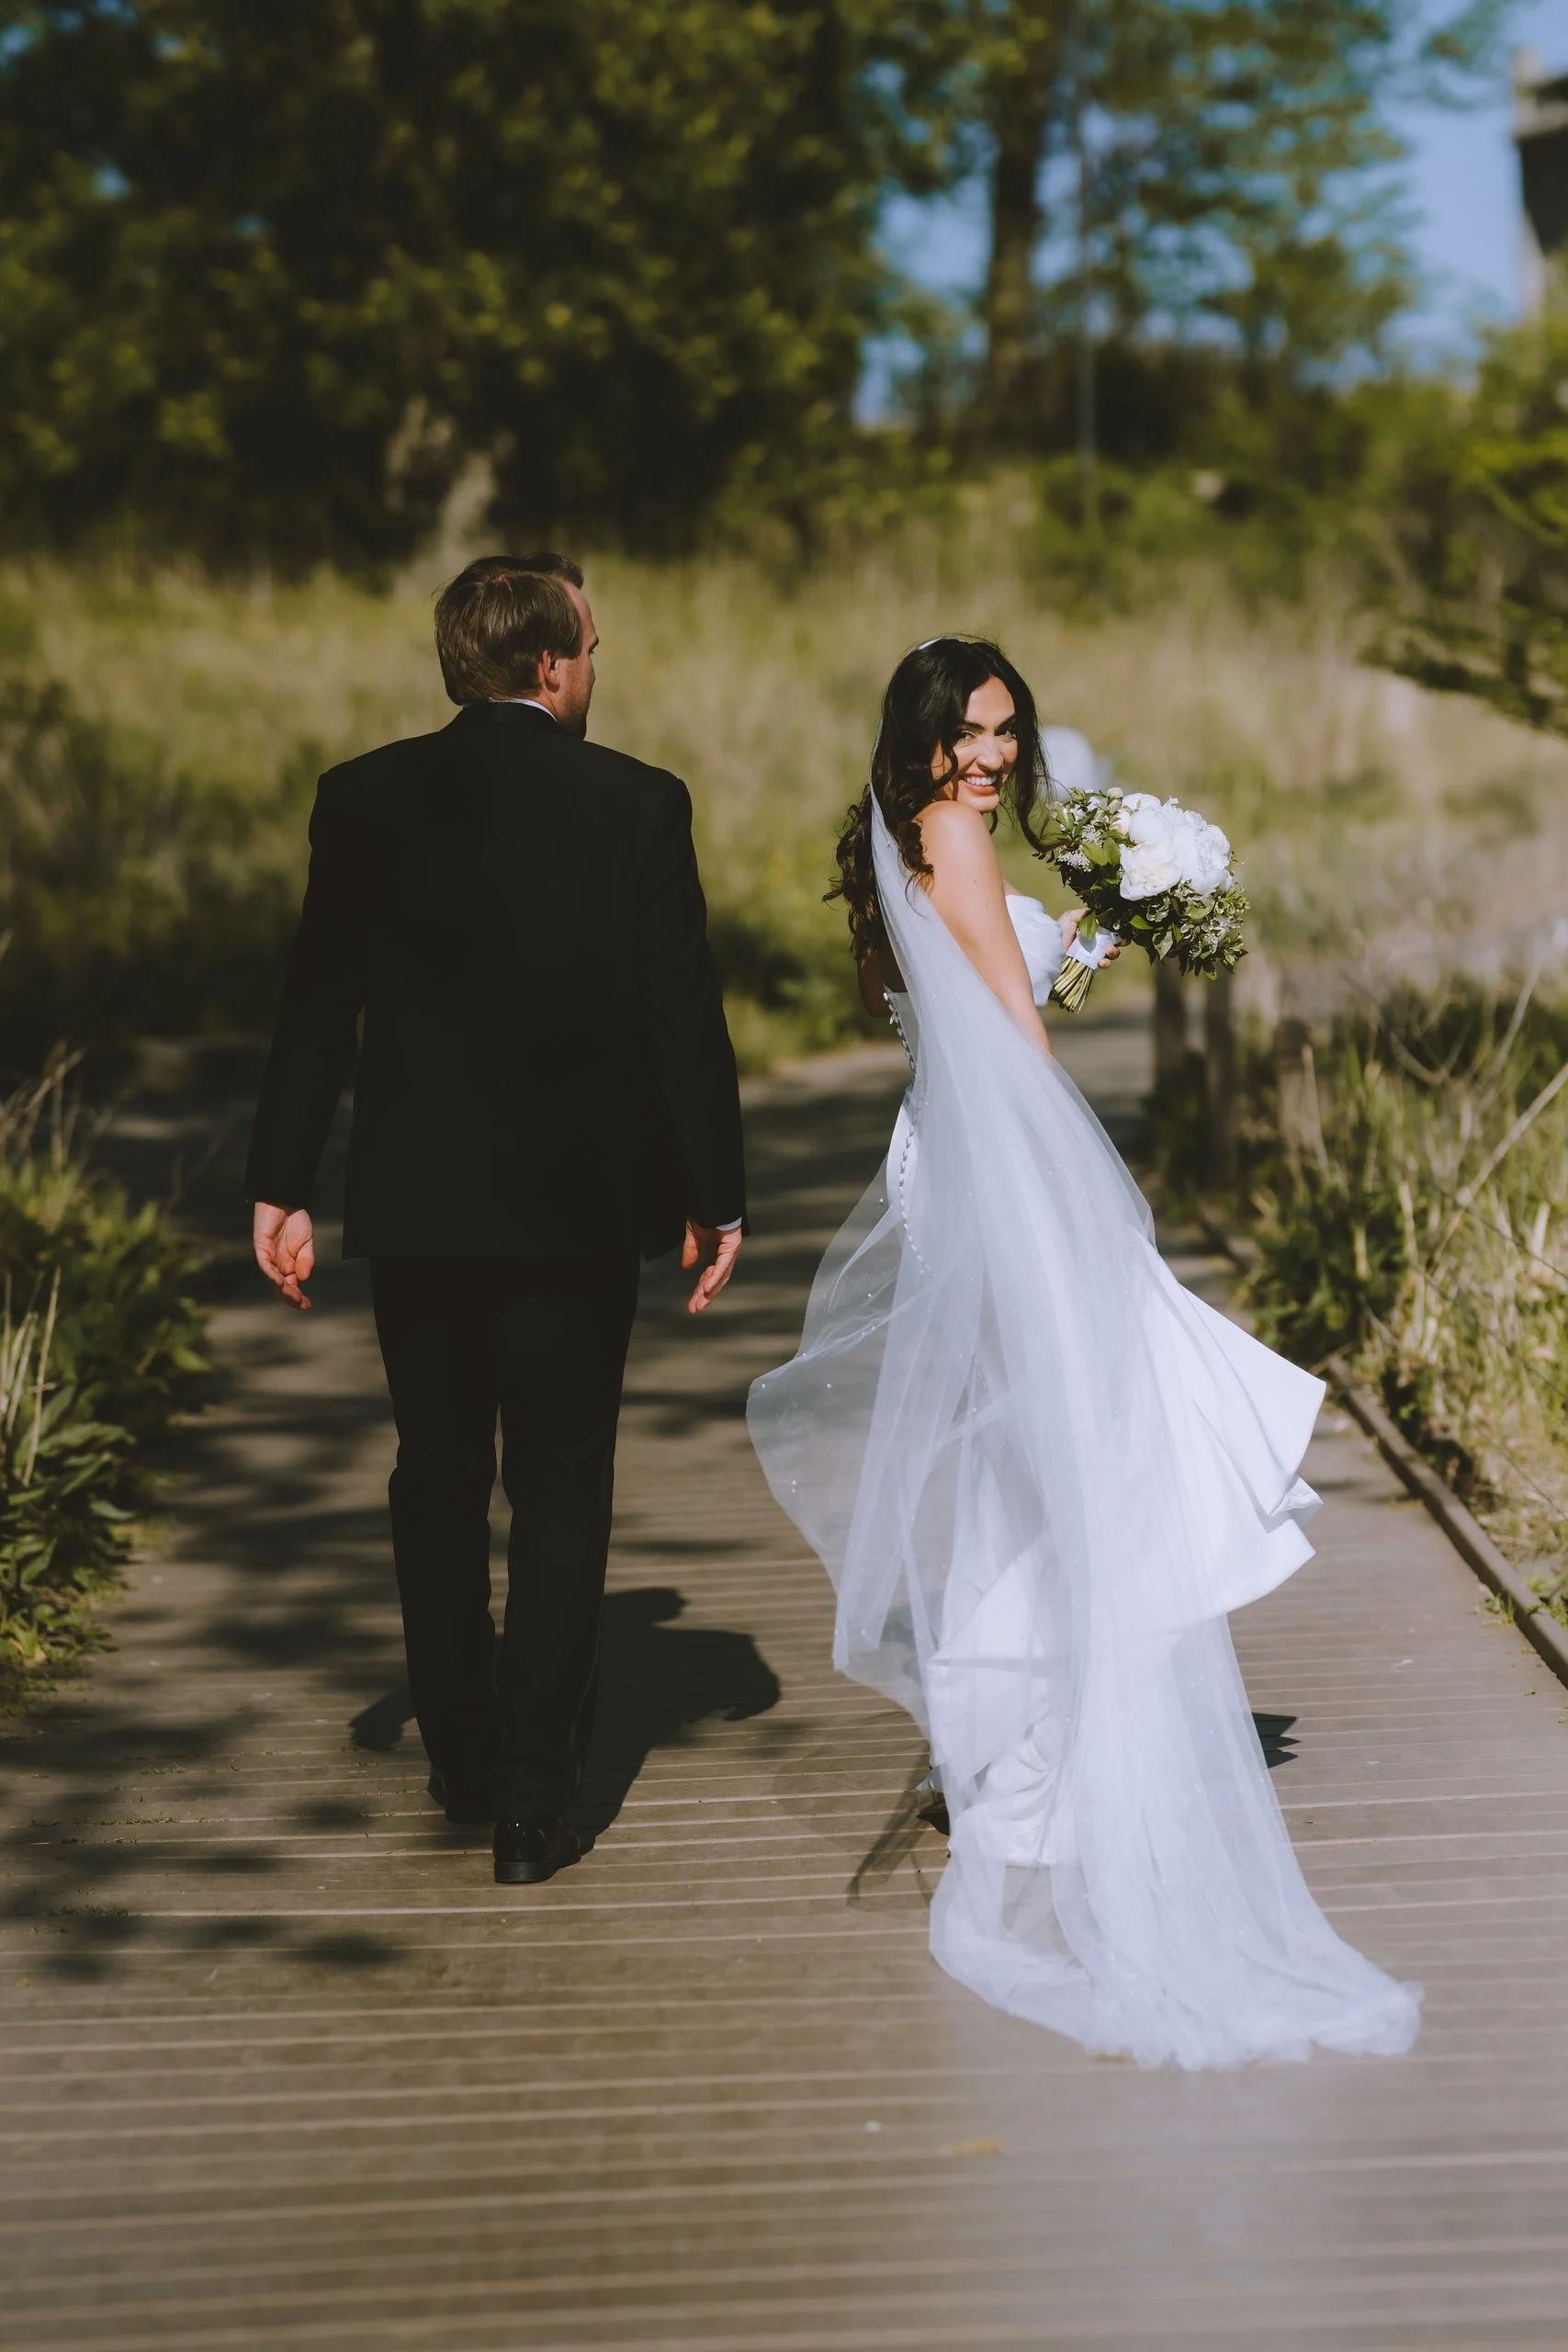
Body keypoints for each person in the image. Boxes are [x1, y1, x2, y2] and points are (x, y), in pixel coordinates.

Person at [747, 637, 1420, 2069]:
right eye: (964, 732)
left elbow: (962, 1000)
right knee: (1094, 1443)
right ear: (921, 739)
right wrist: (1080, 1186)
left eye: (1003, 731)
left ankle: (1020, 1740)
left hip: (947, 1160)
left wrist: (1094, 934)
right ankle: (1052, 1752)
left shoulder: (895, 846)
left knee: (1027, 1453)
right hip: (1007, 1173)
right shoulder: (949, 839)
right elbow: (1009, 1030)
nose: (987, 756)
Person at [244, 555, 746, 1888]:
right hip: (579, 1217)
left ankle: (461, 1754)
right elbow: (677, 1017)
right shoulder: (638, 804)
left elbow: (315, 1007)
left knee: (437, 1478)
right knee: (563, 1486)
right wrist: (718, 1193)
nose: (594, 670)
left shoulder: (361, 799)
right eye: (589, 650)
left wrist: (280, 1182)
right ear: (547, 667)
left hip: (415, 1212)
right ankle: (532, 1803)